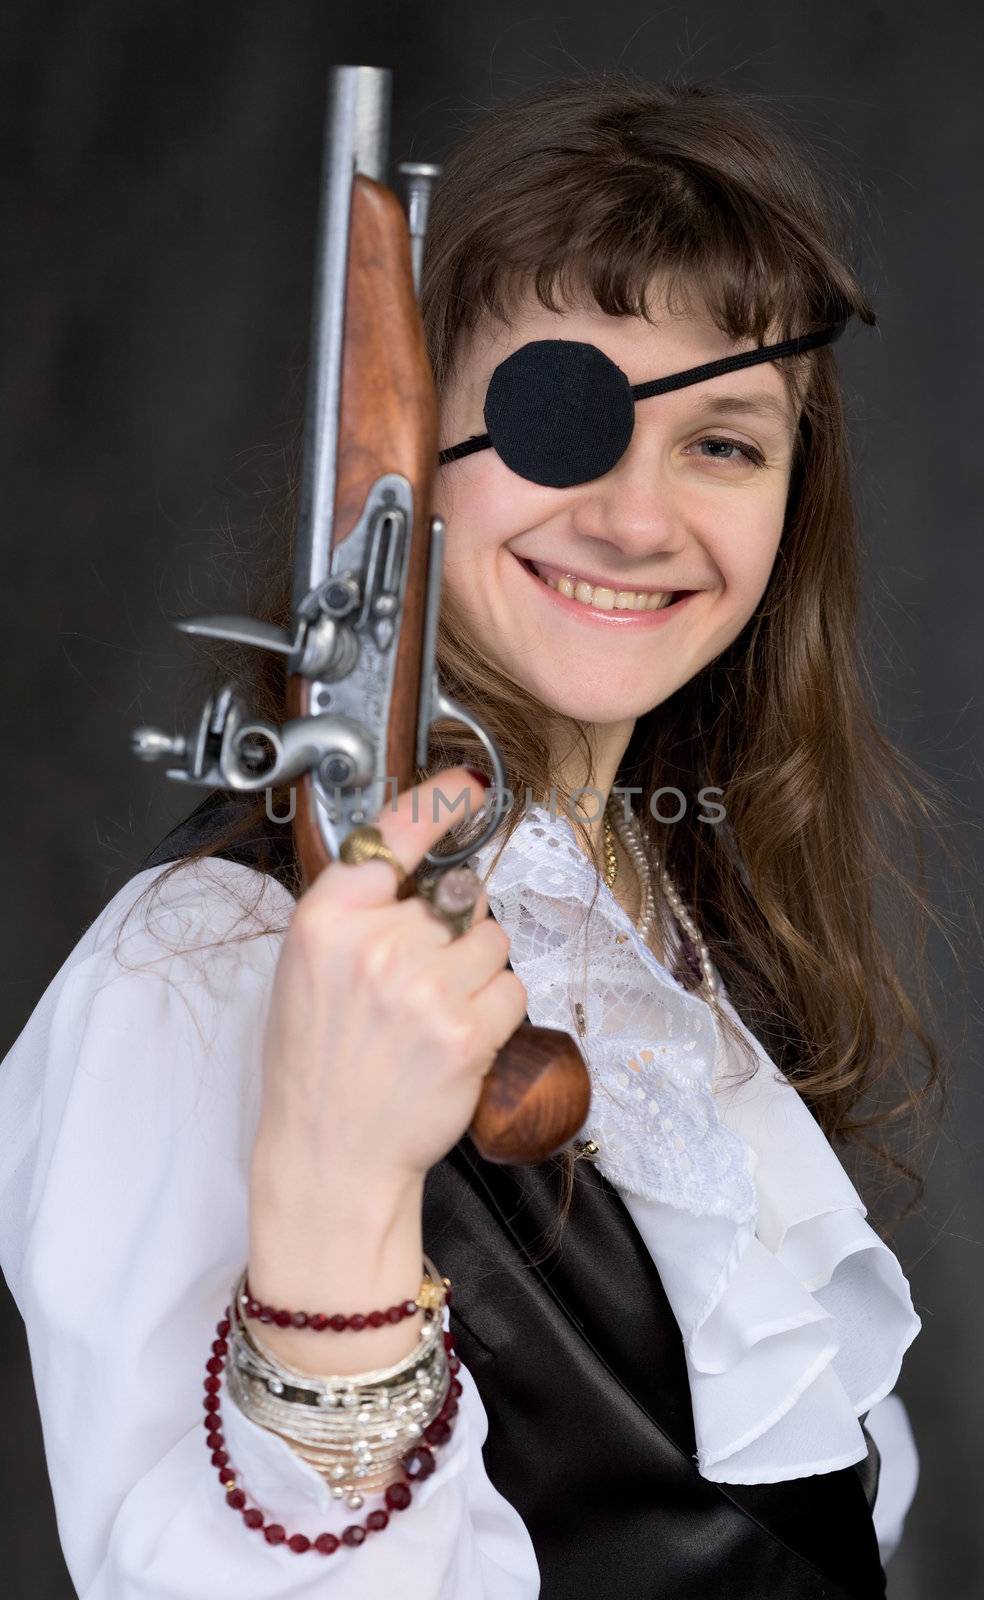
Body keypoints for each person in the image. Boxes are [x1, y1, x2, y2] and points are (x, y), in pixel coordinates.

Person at [0, 72, 946, 1599]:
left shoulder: (659, 886)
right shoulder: (203, 973)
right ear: (401, 451)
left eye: (724, 442)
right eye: (555, 418)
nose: (639, 521)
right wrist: (331, 1178)